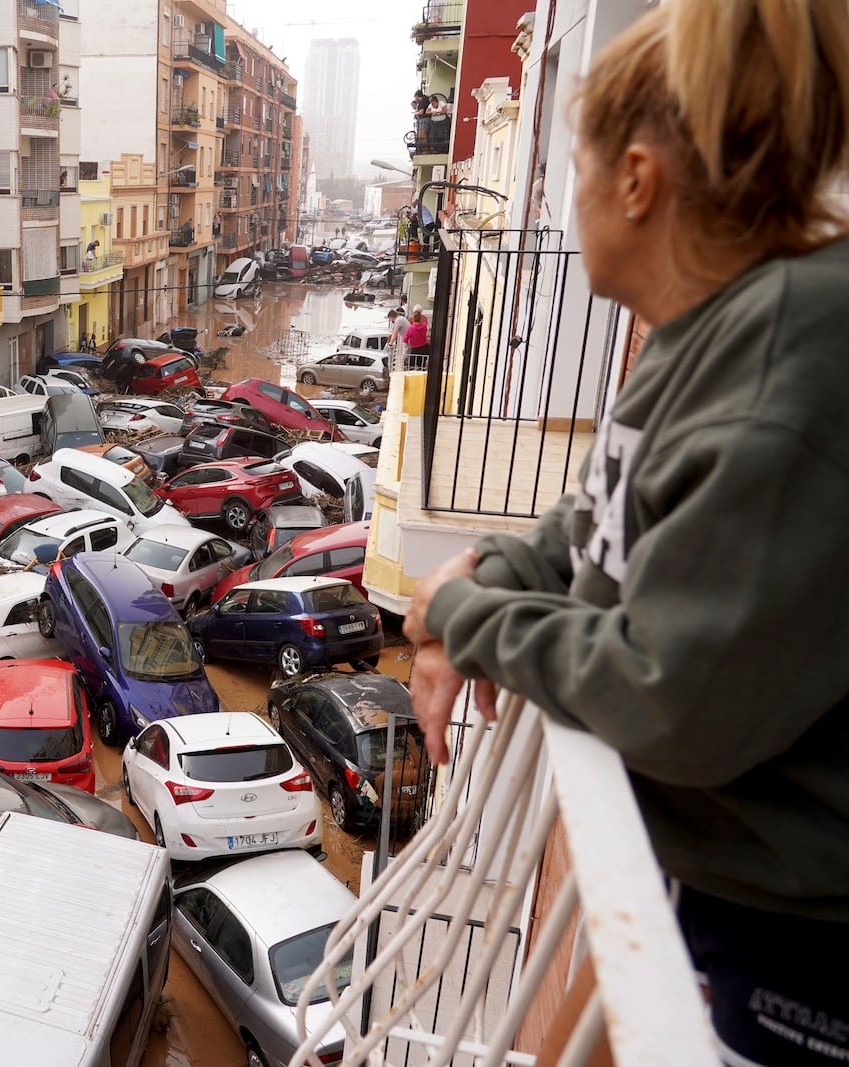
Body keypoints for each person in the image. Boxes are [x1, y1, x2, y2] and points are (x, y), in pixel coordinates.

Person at [402, 2, 849, 1064]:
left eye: (573, 167)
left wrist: (463, 609)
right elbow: (598, 511)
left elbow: (669, 696)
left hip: (793, 955)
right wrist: (497, 568)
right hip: (722, 888)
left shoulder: (791, 350)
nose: (565, 197)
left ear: (638, 180)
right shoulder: (717, 329)